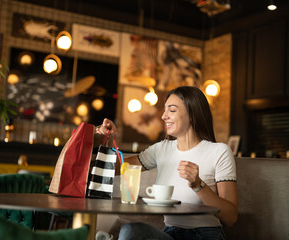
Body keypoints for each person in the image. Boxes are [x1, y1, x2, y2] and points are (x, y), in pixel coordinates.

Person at [96, 86, 238, 240]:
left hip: (205, 234)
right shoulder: (161, 149)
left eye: (172, 110)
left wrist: (198, 185)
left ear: (191, 114)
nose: (163, 116)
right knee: (130, 231)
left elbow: (230, 217)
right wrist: (108, 140)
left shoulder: (219, 151)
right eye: (165, 110)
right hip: (170, 233)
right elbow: (117, 167)